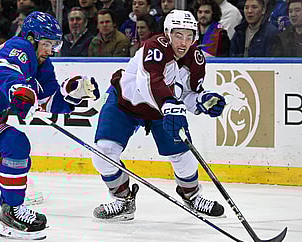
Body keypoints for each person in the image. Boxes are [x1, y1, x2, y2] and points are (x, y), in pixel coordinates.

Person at [0, 11, 100, 239]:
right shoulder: (19, 47)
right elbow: (6, 70)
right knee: (15, 143)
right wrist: (19, 91)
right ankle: (12, 214)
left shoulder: (42, 65)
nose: (50, 50)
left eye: (55, 44)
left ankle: (10, 211)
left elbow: (49, 100)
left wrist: (74, 94)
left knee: (18, 157)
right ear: (32, 38)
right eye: (47, 43)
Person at [91, 10, 226, 221]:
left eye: (189, 36)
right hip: (125, 102)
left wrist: (203, 101)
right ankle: (123, 199)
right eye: (178, 35)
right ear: (167, 33)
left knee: (183, 154)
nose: (184, 42)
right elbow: (149, 83)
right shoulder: (154, 46)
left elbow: (189, 93)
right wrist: (171, 106)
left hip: (163, 108)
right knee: (104, 151)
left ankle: (192, 195)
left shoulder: (196, 59)